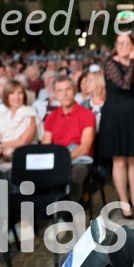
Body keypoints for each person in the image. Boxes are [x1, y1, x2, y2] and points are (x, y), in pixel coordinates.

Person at [99, 33, 134, 218]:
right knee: (120, 161)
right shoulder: (109, 64)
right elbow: (125, 84)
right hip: (114, 118)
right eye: (119, 42)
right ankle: (124, 203)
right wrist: (132, 61)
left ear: (133, 45)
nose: (122, 45)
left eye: (126, 42)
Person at [42, 76, 96, 204]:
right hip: (57, 158)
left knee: (76, 173)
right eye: (60, 91)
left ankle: (68, 211)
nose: (64, 94)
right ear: (55, 94)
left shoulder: (87, 114)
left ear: (74, 91)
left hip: (79, 159)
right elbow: (45, 144)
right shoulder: (51, 117)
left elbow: (85, 148)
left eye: (68, 89)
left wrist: (62, 160)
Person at [0, 80, 39, 164]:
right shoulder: (3, 116)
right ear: (6, 96)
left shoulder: (31, 114)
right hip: (5, 158)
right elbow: (0, 140)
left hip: (24, 158)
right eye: (12, 93)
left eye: (19, 93)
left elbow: (23, 141)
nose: (16, 97)